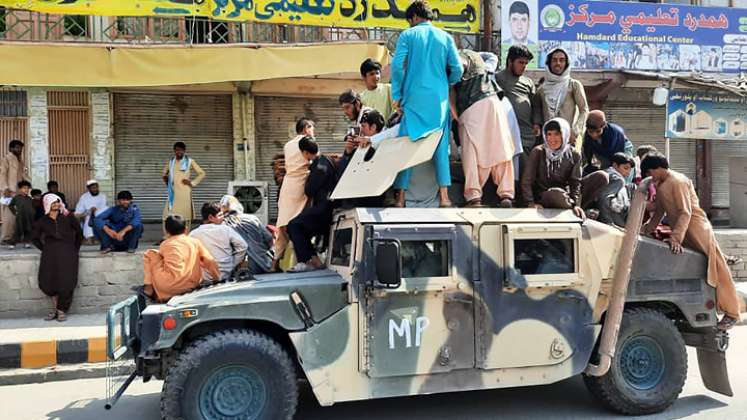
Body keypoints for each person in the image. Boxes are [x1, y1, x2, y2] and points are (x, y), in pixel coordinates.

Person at [641, 153, 741, 330]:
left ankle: (732, 313)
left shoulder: (677, 181)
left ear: (658, 168)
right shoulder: (663, 184)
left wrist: (675, 238)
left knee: (717, 267)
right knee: (700, 268)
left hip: (696, 228)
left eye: (650, 172)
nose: (651, 176)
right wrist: (645, 230)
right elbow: (660, 211)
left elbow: (685, 212)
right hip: (684, 229)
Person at [389, 1, 463, 208]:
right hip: (438, 102)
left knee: (407, 147)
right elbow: (457, 69)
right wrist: (445, 82)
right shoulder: (445, 37)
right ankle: (445, 197)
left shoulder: (408, 35)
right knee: (440, 147)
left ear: (413, 18)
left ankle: (401, 197)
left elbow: (397, 66)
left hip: (413, 100)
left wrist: (397, 94)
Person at [452, 49, 515, 208]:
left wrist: (456, 117)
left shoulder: (456, 58)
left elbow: (457, 71)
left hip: (471, 106)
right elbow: (493, 56)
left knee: (471, 151)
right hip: (493, 101)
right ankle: (506, 194)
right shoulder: (479, 58)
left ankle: (474, 197)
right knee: (500, 146)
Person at [521, 118, 608, 217]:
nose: (552, 139)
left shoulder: (574, 154)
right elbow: (527, 181)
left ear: (565, 134)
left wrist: (576, 204)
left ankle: (576, 208)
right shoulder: (538, 152)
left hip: (567, 196)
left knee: (602, 176)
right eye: (549, 134)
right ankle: (572, 209)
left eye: (557, 134)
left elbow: (575, 182)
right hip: (545, 196)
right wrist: (530, 203)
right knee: (555, 193)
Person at [287, 137, 338, 272]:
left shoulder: (320, 165)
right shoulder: (326, 161)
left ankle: (304, 261)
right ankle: (314, 259)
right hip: (327, 209)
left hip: (323, 211)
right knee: (298, 228)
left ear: (305, 153)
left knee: (294, 225)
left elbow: (309, 190)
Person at [143, 215, 220, 302]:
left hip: (167, 287)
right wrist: (217, 279)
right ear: (186, 229)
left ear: (166, 231)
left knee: (150, 254)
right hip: (190, 286)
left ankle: (148, 288)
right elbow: (209, 260)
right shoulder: (195, 242)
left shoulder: (165, 244)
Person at [273, 117, 315, 271]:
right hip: (300, 184)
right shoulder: (307, 142)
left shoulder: (288, 145)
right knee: (298, 224)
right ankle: (304, 260)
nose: (312, 132)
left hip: (287, 186)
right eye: (311, 129)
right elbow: (313, 160)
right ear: (306, 128)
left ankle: (275, 262)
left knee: (282, 224)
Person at [32, 194, 82, 322]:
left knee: (66, 281)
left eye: (58, 202)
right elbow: (35, 238)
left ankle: (61, 311)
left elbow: (79, 233)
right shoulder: (43, 220)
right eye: (53, 203)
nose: (56, 205)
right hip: (50, 255)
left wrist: (74, 249)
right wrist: (45, 249)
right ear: (47, 204)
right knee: (49, 280)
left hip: (68, 253)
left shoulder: (68, 216)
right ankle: (55, 309)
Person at [533, 48, 589, 147]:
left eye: (562, 60)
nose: (558, 63)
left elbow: (584, 110)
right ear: (549, 63)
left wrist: (575, 131)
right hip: (548, 140)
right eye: (554, 60)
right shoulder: (542, 89)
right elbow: (537, 109)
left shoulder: (574, 85)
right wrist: (537, 125)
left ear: (566, 63)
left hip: (568, 139)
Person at [190, 202, 248, 281]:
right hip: (226, 273)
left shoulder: (193, 234)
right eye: (220, 215)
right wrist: (232, 263)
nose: (223, 218)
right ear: (210, 217)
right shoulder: (226, 230)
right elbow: (243, 246)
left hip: (204, 276)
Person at [495, 45, 537, 155]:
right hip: (504, 135)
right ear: (510, 61)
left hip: (525, 136)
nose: (524, 66)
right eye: (520, 62)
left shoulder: (528, 82)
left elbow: (536, 105)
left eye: (525, 63)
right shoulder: (497, 79)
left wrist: (537, 123)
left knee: (525, 170)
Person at [220, 195, 274, 275]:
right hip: (264, 263)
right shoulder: (252, 218)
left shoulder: (223, 225)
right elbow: (269, 239)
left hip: (239, 268)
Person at [162, 141, 205, 232]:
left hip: (184, 192)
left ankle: (185, 235)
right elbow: (164, 173)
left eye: (181, 150)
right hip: (173, 192)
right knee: (167, 215)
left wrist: (192, 183)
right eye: (177, 150)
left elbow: (202, 173)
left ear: (184, 151)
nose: (179, 152)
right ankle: (167, 236)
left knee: (185, 215)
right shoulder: (171, 162)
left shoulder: (190, 161)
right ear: (174, 151)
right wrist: (167, 180)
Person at [582, 110, 635, 176]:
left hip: (621, 147)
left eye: (598, 131)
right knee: (605, 174)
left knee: (624, 168)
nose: (594, 135)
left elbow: (617, 157)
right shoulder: (587, 136)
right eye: (591, 132)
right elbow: (587, 151)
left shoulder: (613, 133)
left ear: (603, 126)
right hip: (603, 152)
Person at [1, 140, 29, 244]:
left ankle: (15, 236)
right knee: (9, 215)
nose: (19, 150)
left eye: (20, 148)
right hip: (9, 191)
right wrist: (5, 188)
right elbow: (2, 174)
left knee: (18, 215)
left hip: (19, 192)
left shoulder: (20, 160)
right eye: (17, 147)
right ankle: (6, 238)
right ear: (11, 148)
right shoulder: (6, 159)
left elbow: (24, 176)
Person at [597, 153, 634, 226]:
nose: (628, 172)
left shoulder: (606, 172)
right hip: (610, 220)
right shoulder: (618, 179)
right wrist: (608, 221)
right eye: (625, 168)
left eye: (630, 170)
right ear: (615, 165)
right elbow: (604, 198)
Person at [74, 180, 108, 245]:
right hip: (88, 217)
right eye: (93, 188)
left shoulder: (103, 196)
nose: (95, 189)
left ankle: (99, 239)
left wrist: (96, 211)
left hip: (101, 217)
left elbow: (105, 209)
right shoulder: (84, 197)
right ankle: (89, 239)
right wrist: (88, 212)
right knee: (89, 219)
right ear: (88, 189)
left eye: (96, 187)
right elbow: (77, 213)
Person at [8, 180, 34, 249]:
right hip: (20, 217)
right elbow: (10, 205)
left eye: (28, 188)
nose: (26, 189)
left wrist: (33, 213)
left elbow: (32, 207)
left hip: (28, 217)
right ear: (20, 189)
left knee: (28, 229)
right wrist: (15, 212)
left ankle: (27, 242)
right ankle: (13, 243)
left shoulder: (30, 199)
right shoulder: (16, 198)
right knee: (18, 230)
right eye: (24, 188)